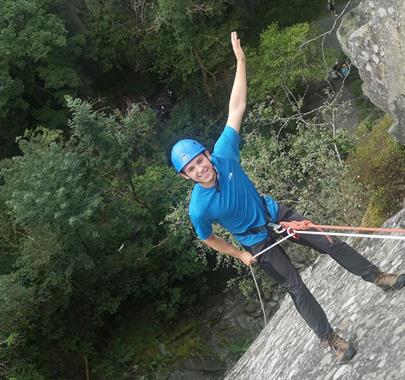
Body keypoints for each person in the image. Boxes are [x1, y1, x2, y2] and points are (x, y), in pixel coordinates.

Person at [170, 32, 405, 363]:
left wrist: (240, 61)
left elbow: (236, 106)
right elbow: (208, 238)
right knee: (296, 287)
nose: (200, 170)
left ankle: (378, 277)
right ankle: (331, 339)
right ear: (186, 177)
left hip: (275, 214)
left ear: (207, 155)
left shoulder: (225, 154)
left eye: (199, 161)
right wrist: (239, 254)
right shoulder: (198, 208)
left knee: (330, 242)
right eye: (191, 170)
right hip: (256, 243)